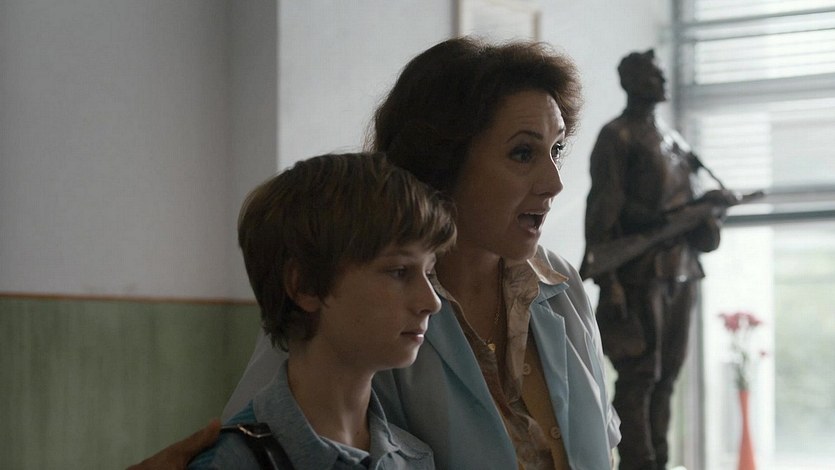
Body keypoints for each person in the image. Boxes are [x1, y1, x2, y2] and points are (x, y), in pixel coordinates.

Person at [131, 36, 620, 470]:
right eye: (523, 153)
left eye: (557, 150)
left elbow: (602, 439)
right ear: (444, 159)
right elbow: (274, 439)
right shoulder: (355, 291)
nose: (554, 182)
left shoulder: (559, 284)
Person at [188, 152, 456, 469]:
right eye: (399, 271)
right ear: (305, 286)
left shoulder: (412, 458)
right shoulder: (231, 463)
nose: (432, 302)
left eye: (429, 273)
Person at [581, 50, 735, 470]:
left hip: (682, 271)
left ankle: (660, 461)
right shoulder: (618, 136)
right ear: (631, 81)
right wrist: (609, 282)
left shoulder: (675, 139)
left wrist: (708, 211)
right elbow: (603, 211)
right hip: (638, 274)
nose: (664, 82)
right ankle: (639, 462)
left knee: (667, 376)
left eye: (663, 75)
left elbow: (690, 205)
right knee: (639, 377)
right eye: (654, 75)